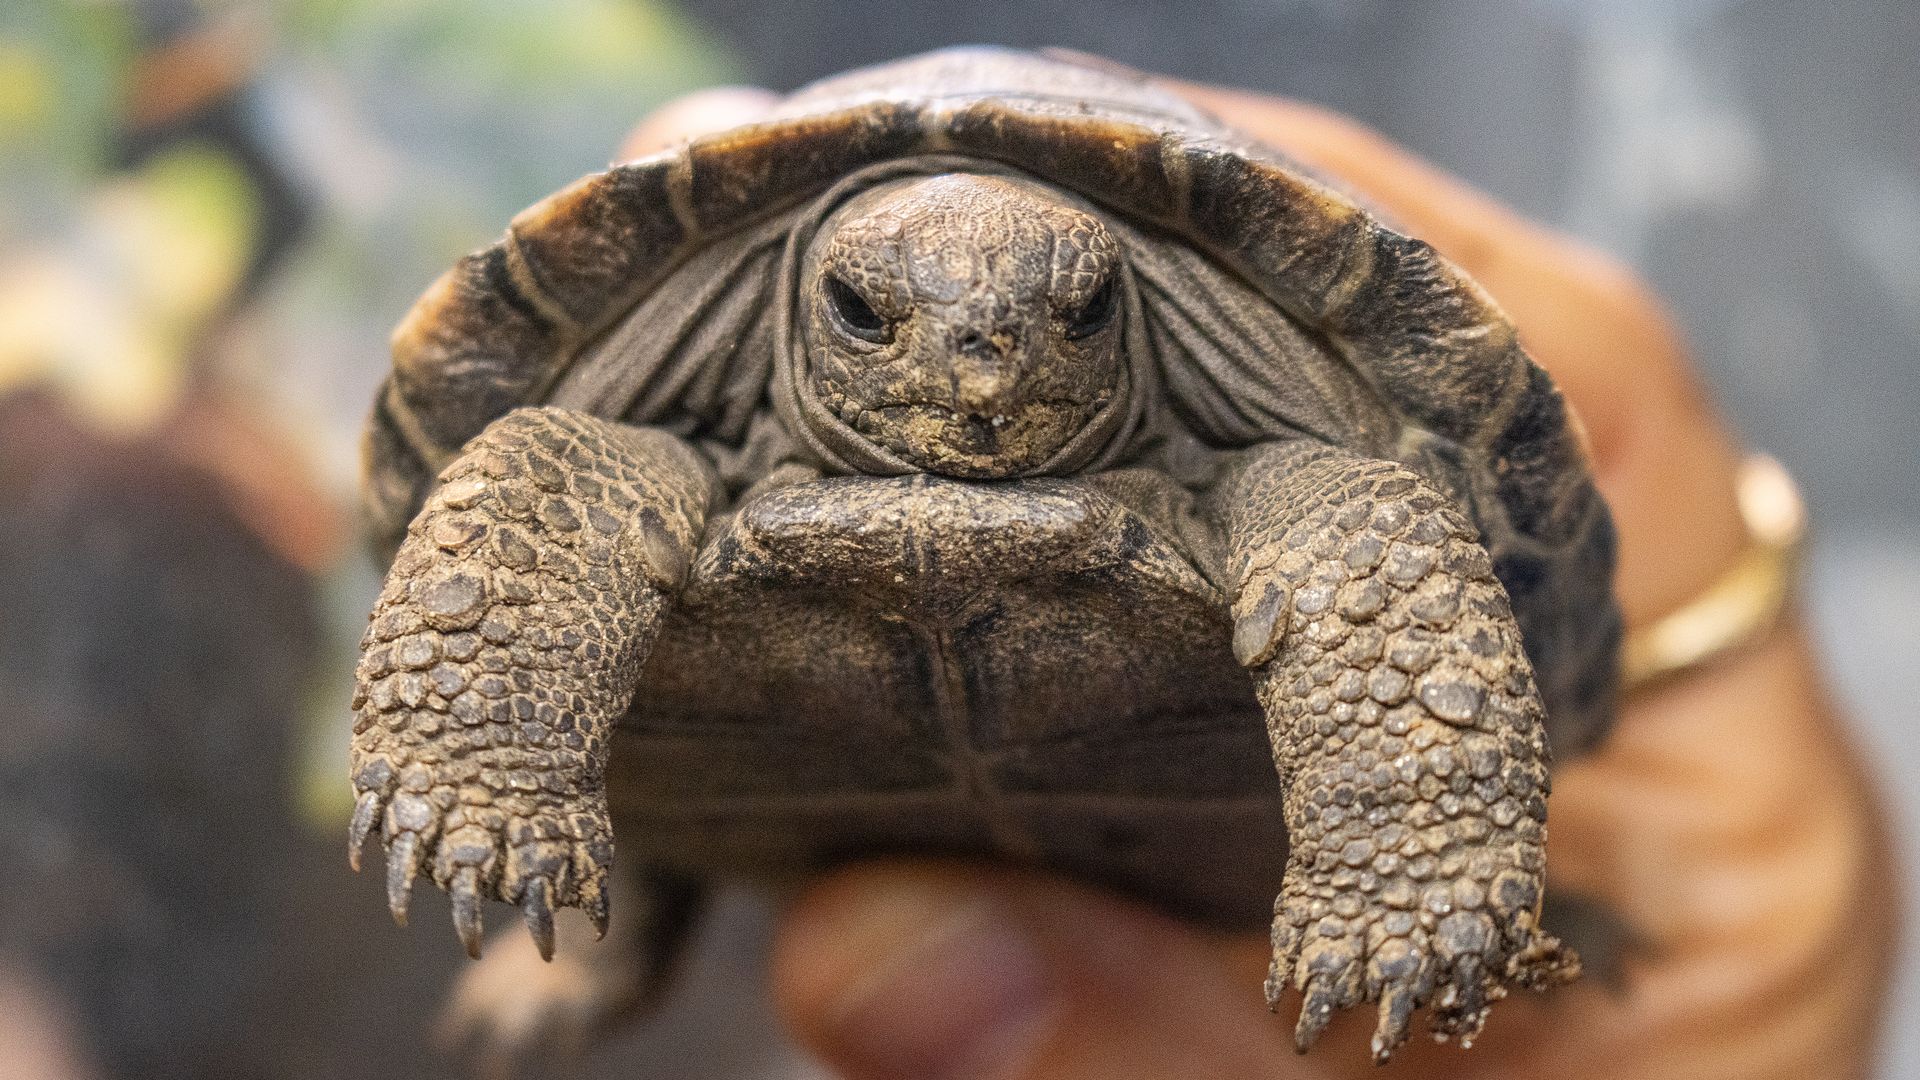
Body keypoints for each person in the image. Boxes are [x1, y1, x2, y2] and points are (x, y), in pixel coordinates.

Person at [605, 74, 1896, 1080]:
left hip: (1238, 798)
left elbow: (1370, 518)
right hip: (763, 794)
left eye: (1077, 317)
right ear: (804, 299)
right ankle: (629, 916)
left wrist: (1419, 857)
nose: (983, 365)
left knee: (1350, 526)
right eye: (868, 318)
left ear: (1122, 304)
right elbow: (541, 476)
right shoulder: (638, 441)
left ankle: (1431, 874)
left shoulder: (1293, 471)